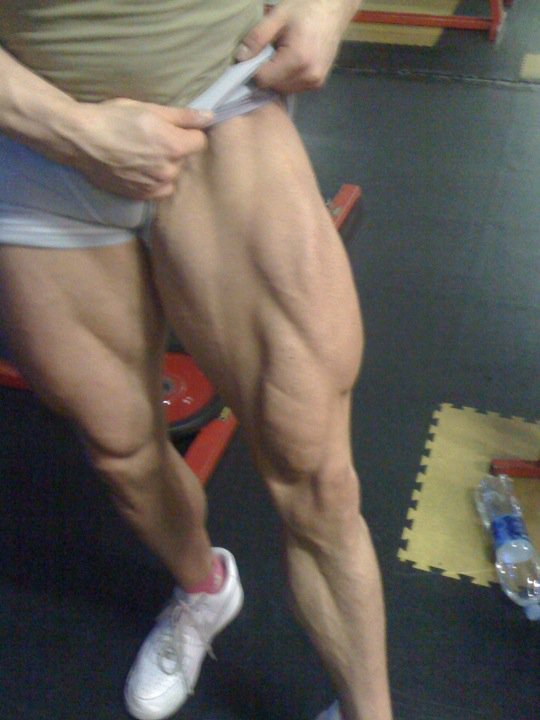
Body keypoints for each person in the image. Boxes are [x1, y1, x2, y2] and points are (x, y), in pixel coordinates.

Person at [0, 2, 393, 719]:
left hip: (220, 104)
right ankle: (204, 589)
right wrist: (68, 129)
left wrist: (330, 8)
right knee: (121, 451)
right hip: (36, 141)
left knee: (315, 474)